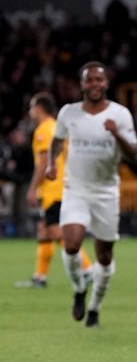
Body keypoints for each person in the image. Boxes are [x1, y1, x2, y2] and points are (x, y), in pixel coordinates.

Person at [46, 62, 137, 327]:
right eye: (89, 80)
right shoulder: (68, 113)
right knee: (72, 244)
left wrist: (116, 133)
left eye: (99, 79)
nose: (95, 84)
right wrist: (52, 163)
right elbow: (56, 140)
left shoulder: (120, 115)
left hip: (106, 193)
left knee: (104, 257)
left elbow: (134, 156)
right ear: (82, 84)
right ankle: (79, 288)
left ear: (106, 83)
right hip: (75, 189)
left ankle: (95, 306)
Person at [17, 93, 93, 289]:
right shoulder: (59, 127)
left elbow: (44, 162)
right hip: (61, 186)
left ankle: (87, 269)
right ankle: (40, 277)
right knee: (43, 231)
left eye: (32, 107)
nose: (30, 111)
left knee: (57, 232)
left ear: (39, 109)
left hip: (52, 189)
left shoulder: (43, 130)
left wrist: (32, 189)